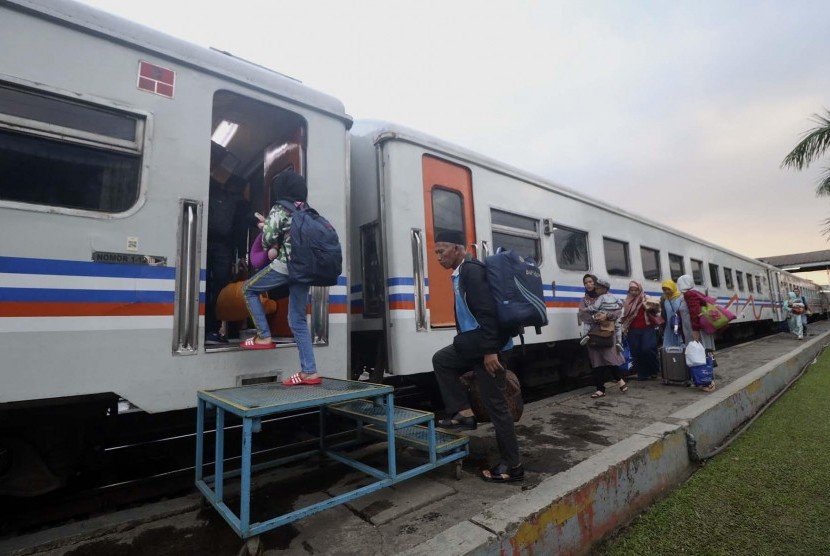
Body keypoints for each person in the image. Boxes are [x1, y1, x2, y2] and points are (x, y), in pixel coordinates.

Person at [430, 230, 523, 483]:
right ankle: (464, 414)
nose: (437, 257)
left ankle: (512, 467)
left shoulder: (472, 271)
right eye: (436, 251)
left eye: (442, 251)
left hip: (491, 348)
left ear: (458, 249)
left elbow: (487, 313)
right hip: (476, 344)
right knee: (443, 359)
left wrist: (490, 351)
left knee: (497, 407)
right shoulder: (459, 274)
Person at [239, 171, 320, 387]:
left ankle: (263, 336)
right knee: (298, 320)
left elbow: (267, 242)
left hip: (286, 265)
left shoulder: (280, 208)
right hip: (304, 269)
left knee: (248, 289)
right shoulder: (306, 210)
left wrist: (264, 227)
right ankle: (309, 372)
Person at [578, 274, 627, 398]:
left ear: (596, 284)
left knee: (609, 358)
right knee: (596, 361)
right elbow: (582, 315)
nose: (588, 284)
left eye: (590, 282)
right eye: (585, 283)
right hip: (593, 334)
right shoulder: (584, 300)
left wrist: (607, 316)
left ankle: (619, 379)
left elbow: (618, 312)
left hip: (608, 332)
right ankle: (600, 389)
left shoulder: (608, 297)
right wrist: (596, 318)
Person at [677, 274, 716, 391]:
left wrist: (695, 330)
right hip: (692, 330)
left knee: (699, 356)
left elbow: (695, 313)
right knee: (699, 355)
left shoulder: (689, 295)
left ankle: (707, 382)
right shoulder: (692, 293)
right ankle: (701, 380)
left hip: (695, 331)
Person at [621, 281, 660, 381]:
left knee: (647, 349)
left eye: (636, 290)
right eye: (631, 290)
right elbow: (625, 315)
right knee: (636, 352)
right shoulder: (627, 301)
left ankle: (653, 370)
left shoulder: (646, 298)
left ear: (640, 289)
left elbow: (657, 310)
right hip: (633, 329)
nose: (633, 292)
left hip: (647, 328)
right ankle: (642, 374)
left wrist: (648, 306)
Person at [579, 278, 624, 352]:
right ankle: (619, 342)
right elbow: (621, 305)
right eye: (585, 283)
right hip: (598, 335)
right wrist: (615, 307)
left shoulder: (601, 297)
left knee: (588, 323)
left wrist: (587, 309)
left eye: (597, 288)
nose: (595, 290)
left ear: (603, 289)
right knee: (618, 327)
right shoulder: (614, 296)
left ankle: (585, 335)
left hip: (602, 316)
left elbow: (595, 307)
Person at [660, 279, 688, 348]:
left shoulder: (680, 297)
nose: (667, 291)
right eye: (664, 290)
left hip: (679, 324)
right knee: (669, 344)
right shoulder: (664, 299)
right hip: (668, 325)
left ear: (673, 288)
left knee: (680, 341)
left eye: (668, 289)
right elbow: (663, 313)